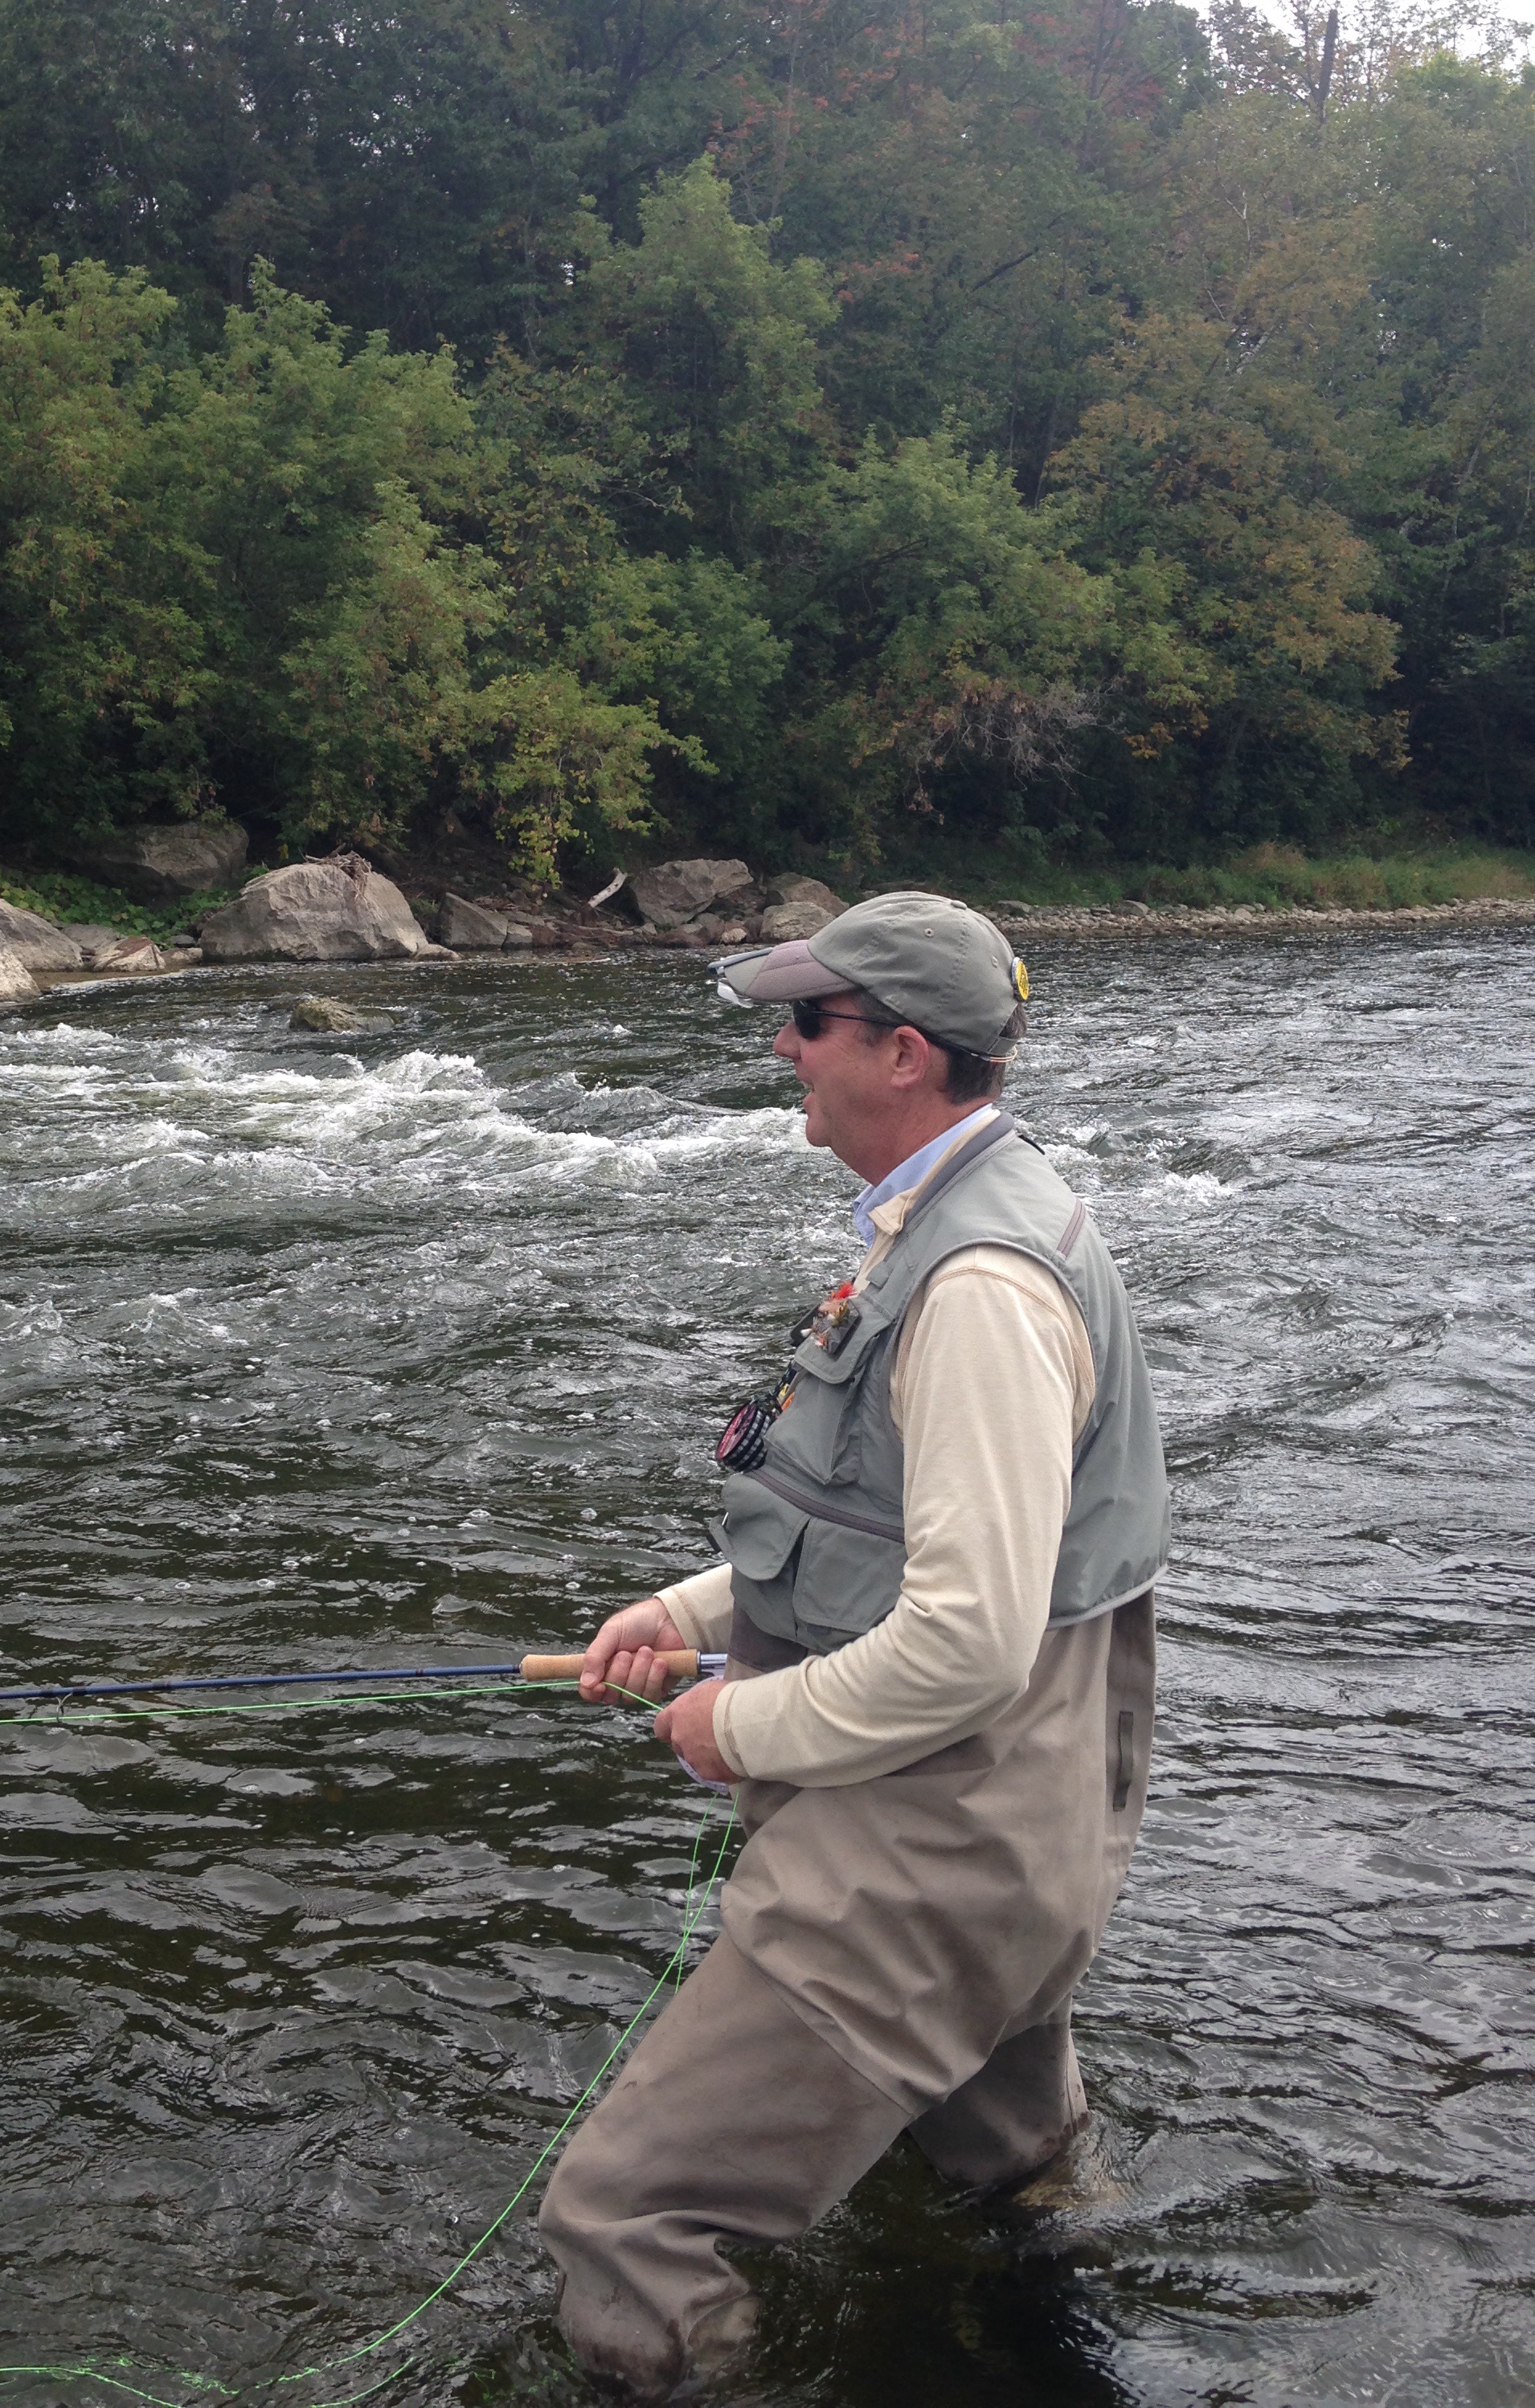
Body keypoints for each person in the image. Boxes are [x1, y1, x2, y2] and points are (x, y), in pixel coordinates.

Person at [538, 890, 1168, 2397]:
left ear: (900, 1052)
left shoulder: (979, 1289)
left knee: (622, 2219)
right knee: (1014, 2173)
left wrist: (729, 1723)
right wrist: (693, 1615)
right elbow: (899, 1529)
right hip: (1021, 1836)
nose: (781, 1045)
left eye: (805, 1023)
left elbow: (965, 1641)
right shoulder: (956, 1222)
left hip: (943, 1832)